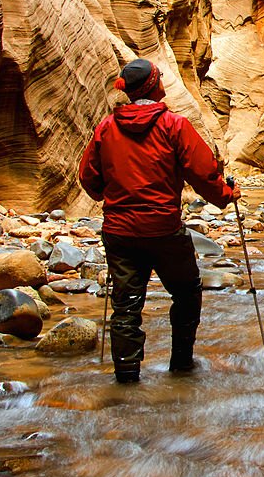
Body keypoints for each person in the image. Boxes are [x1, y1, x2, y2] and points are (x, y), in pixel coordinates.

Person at [78, 58, 240, 383]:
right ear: (153, 85)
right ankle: (181, 365)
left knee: (126, 306)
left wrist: (107, 196)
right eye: (160, 78)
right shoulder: (174, 126)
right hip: (164, 230)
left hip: (120, 233)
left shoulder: (106, 128)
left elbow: (89, 178)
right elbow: (203, 172)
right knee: (187, 291)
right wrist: (225, 195)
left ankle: (126, 379)